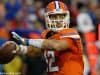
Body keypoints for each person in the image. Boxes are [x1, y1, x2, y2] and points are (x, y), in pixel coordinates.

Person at [0, 1, 84, 75]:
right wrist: (20, 49)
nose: (58, 20)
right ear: (47, 18)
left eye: (61, 16)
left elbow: (57, 45)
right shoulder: (46, 35)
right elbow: (37, 50)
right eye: (54, 17)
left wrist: (27, 41)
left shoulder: (71, 33)